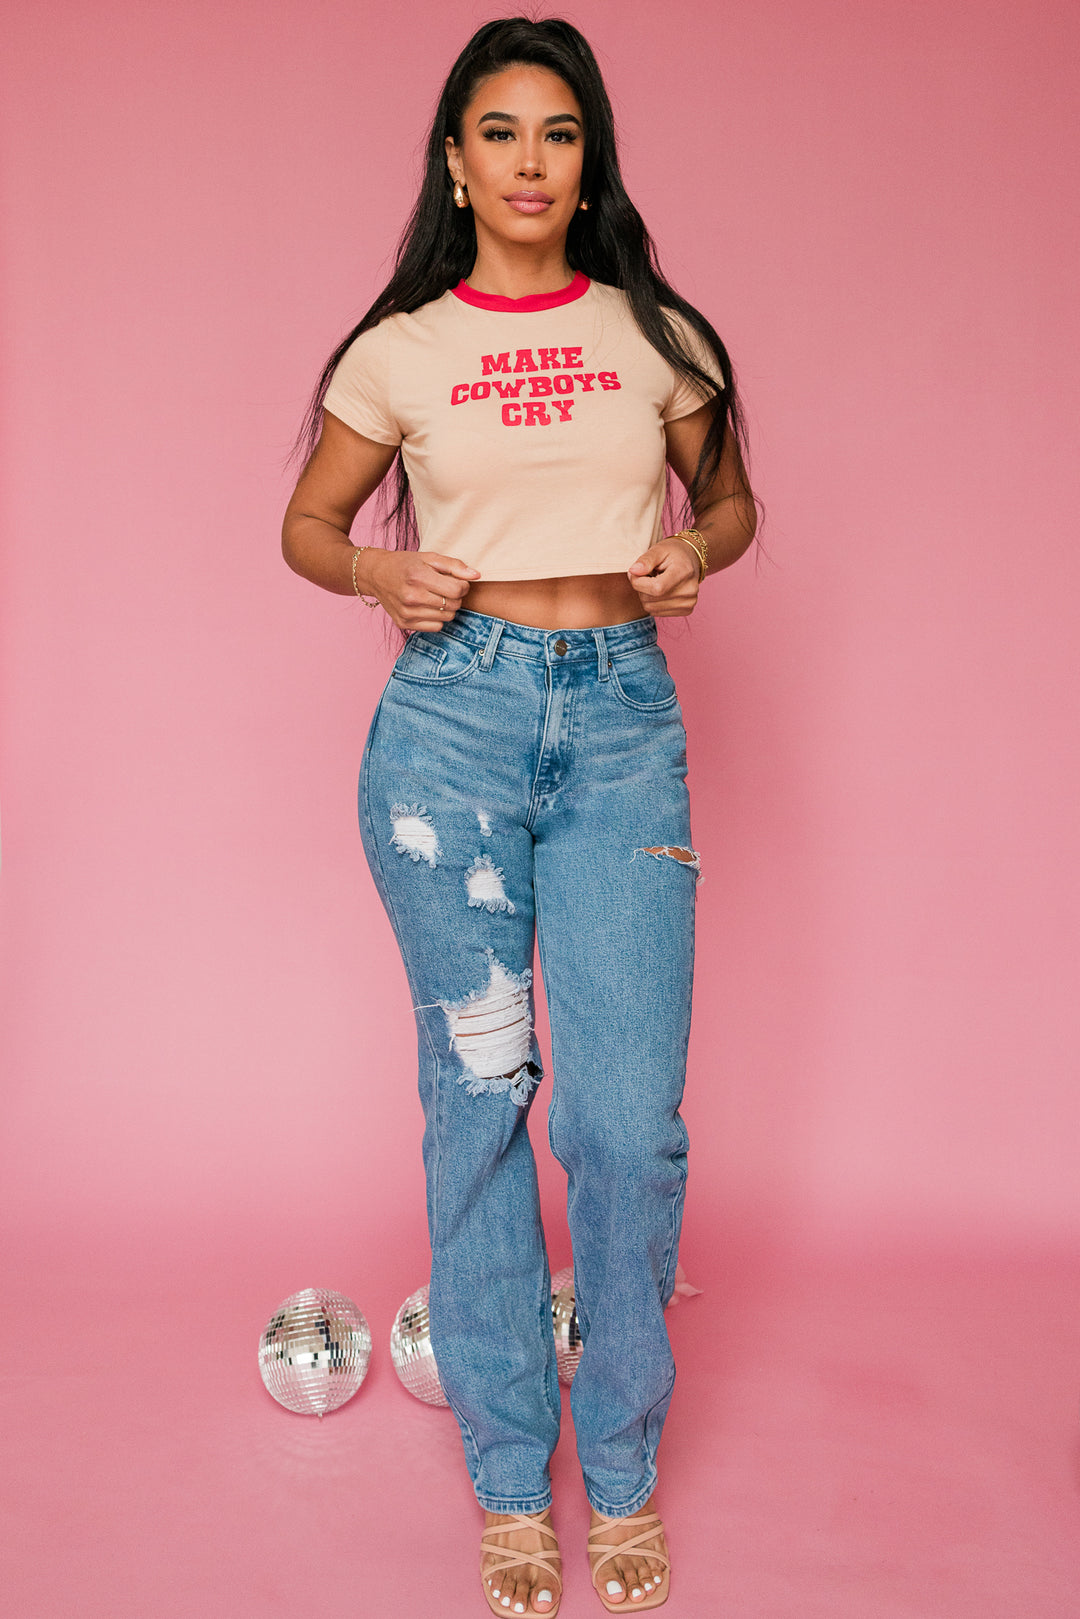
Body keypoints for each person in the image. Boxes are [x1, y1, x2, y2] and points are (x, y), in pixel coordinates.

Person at [282, 16, 756, 1615]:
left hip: (621, 723)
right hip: (451, 730)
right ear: (457, 160)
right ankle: (508, 1480)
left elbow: (728, 497)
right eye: (500, 132)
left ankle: (617, 1464)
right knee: (479, 1103)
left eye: (559, 133)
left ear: (589, 159)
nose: (531, 162)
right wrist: (376, 568)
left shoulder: (653, 334)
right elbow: (309, 523)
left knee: (625, 1124)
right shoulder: (402, 350)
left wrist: (698, 553)